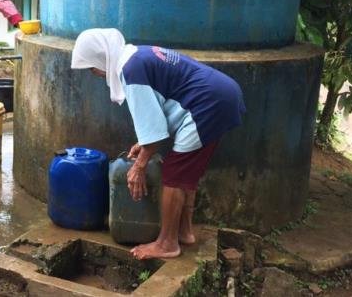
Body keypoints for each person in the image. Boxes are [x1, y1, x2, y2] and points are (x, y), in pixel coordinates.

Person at [71, 28, 245, 260]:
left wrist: (139, 166)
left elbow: (154, 135)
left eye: (92, 67)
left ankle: (167, 243)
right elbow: (155, 118)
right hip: (221, 96)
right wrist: (144, 146)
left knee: (173, 175)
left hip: (207, 104)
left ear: (102, 57)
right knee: (186, 173)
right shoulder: (137, 56)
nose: (95, 73)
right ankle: (184, 232)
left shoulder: (130, 70)